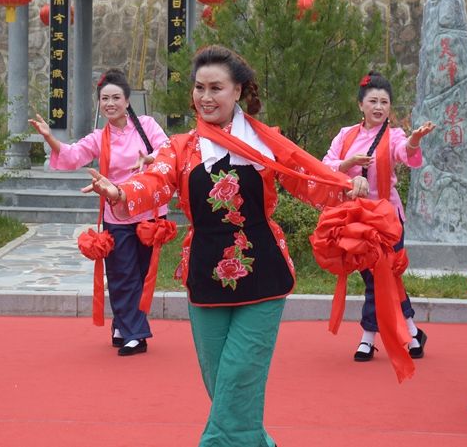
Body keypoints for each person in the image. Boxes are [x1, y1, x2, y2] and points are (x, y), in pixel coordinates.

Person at [82, 45, 368, 446]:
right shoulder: (181, 147)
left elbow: (308, 176)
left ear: (238, 91)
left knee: (239, 377)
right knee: (222, 384)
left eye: (216, 88)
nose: (205, 97)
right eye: (200, 87)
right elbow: (155, 180)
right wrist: (119, 192)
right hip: (204, 277)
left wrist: (346, 185)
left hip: (264, 274)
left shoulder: (265, 142)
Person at [30, 68, 168, 356]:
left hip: (148, 212)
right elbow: (71, 155)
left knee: (141, 274)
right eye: (105, 99)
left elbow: (168, 151)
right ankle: (134, 335)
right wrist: (50, 138)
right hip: (117, 214)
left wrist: (149, 158)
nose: (110, 103)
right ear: (99, 103)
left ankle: (123, 324)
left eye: (116, 98)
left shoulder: (147, 126)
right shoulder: (98, 137)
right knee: (121, 273)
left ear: (127, 101)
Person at [322, 71, 435, 362]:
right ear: (360, 104)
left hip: (387, 220)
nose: (378, 107)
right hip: (355, 220)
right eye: (373, 101)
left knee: (382, 277)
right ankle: (412, 331)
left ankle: (367, 338)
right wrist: (349, 163)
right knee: (378, 277)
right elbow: (325, 166)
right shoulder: (346, 135)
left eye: (384, 102)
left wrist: (414, 140)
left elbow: (406, 154)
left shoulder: (394, 136)